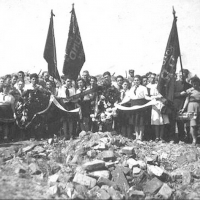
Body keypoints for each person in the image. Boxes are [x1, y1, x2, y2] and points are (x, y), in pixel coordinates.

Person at [120, 75, 149, 141]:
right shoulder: (132, 88)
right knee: (135, 122)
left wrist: (152, 99)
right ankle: (136, 136)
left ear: (140, 81)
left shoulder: (143, 88)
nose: (136, 81)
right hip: (133, 106)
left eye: (137, 80)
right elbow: (128, 98)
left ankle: (140, 136)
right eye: (135, 80)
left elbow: (146, 97)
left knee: (141, 122)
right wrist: (120, 103)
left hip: (141, 106)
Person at [171, 69, 192, 143]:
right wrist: (180, 94)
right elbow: (171, 95)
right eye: (180, 75)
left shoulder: (189, 85)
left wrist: (184, 107)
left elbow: (188, 97)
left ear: (186, 76)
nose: (181, 76)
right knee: (172, 122)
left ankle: (181, 138)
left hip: (183, 105)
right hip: (174, 105)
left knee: (181, 122)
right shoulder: (174, 84)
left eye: (183, 75)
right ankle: (173, 138)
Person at [180, 76, 200, 145]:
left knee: (198, 124)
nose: (195, 85)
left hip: (199, 106)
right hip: (191, 107)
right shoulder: (189, 91)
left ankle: (197, 138)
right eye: (193, 83)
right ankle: (194, 140)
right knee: (192, 124)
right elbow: (187, 100)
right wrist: (183, 109)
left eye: (196, 84)